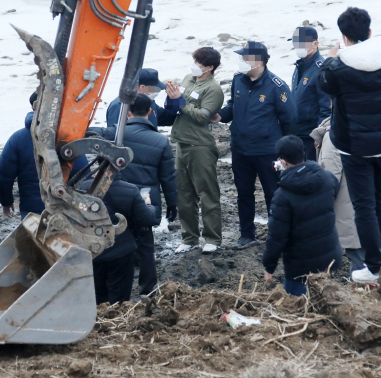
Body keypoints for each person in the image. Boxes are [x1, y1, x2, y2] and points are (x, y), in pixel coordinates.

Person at [318, 7, 381, 284]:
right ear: (370, 32)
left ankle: (373, 267)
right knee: (378, 199)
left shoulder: (338, 67)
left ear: (343, 37)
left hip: (355, 147)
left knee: (364, 207)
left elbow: (324, 84)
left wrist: (330, 58)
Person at [89, 93, 177, 296]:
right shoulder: (161, 141)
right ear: (150, 112)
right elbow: (168, 178)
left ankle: (110, 290)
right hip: (145, 197)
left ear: (127, 113)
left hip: (117, 196)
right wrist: (172, 204)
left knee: (116, 242)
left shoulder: (113, 135)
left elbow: (87, 132)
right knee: (145, 244)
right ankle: (148, 289)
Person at [214, 41, 297, 250]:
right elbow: (233, 104)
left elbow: (289, 118)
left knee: (273, 194)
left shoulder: (276, 85)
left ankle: (278, 234)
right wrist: (221, 115)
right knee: (243, 193)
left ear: (259, 61)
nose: (241, 62)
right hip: (240, 149)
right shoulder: (237, 79)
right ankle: (247, 234)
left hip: (267, 150)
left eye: (245, 58)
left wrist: (283, 149)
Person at [311, 116, 381, 275]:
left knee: (360, 263)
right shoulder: (380, 129)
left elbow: (330, 178)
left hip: (352, 212)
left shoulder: (335, 134)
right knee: (378, 261)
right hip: (379, 211)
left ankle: (364, 294)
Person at [262, 135, 342, 296]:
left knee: (296, 307)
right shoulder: (327, 178)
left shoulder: (282, 196)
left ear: (283, 162)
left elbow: (277, 237)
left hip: (300, 267)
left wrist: (269, 267)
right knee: (324, 300)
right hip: (330, 257)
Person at [164, 47, 225, 254]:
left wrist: (180, 102)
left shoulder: (214, 89)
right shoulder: (189, 78)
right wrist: (172, 99)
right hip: (181, 142)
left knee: (207, 193)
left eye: (199, 63)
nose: (195, 65)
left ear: (209, 67)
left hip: (200, 147)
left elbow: (203, 116)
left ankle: (212, 238)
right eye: (194, 60)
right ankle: (189, 238)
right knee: (184, 194)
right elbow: (178, 105)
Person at [0, 92, 88, 220]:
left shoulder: (18, 139)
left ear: (33, 107)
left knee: (34, 239)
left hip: (31, 210)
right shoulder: (67, 137)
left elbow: (4, 176)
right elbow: (83, 172)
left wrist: (6, 202)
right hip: (64, 207)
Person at [80, 173, 160, 305]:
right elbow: (147, 219)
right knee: (119, 301)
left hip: (94, 252)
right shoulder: (130, 190)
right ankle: (117, 322)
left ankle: (100, 322)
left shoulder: (84, 187)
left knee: (98, 298)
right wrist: (149, 206)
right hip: (121, 251)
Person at [289, 27, 330, 160]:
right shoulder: (299, 66)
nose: (298, 46)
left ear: (315, 44)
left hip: (310, 136)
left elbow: (326, 107)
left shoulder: (321, 69)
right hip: (296, 133)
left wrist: (319, 136)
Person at [106, 68, 171, 128]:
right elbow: (114, 134)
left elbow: (168, 120)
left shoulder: (149, 102)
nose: (158, 91)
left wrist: (174, 99)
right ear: (142, 87)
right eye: (155, 88)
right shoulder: (120, 105)